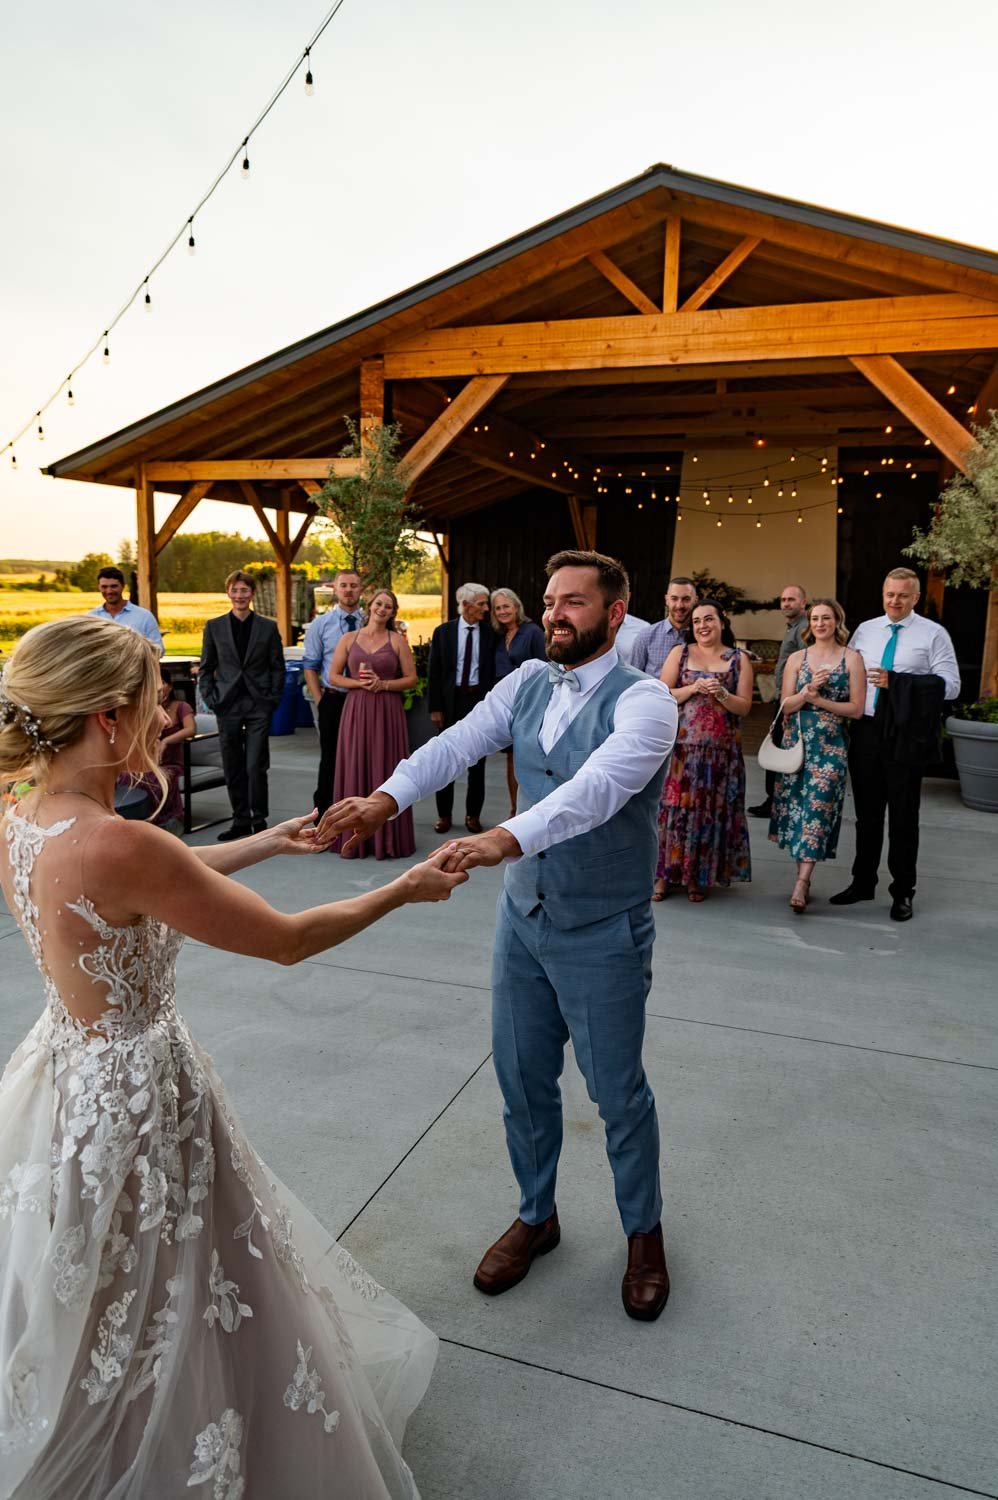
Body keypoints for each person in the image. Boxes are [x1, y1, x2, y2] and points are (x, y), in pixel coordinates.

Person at [0, 614, 467, 1498]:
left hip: (62, 1071)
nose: (169, 711)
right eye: (154, 697)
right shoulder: (120, 840)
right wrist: (404, 888)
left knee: (104, 1282)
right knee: (164, 1275)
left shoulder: (21, 816)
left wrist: (268, 839)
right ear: (107, 715)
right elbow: (286, 942)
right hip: (134, 1088)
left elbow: (157, 878)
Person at [317, 550, 680, 1323]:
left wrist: (501, 840)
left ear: (615, 614)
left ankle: (643, 1233)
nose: (555, 613)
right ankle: (537, 1215)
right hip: (523, 921)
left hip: (603, 926)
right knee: (520, 1081)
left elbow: (595, 792)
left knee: (616, 1094)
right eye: (551, 600)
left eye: (574, 602)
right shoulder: (526, 680)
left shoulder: (648, 703)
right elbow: (458, 744)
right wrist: (387, 797)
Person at [831, 567, 960, 921]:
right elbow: (848, 671)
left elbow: (951, 685)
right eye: (890, 594)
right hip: (868, 730)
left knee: (904, 816)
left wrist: (900, 682)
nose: (895, 601)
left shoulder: (934, 634)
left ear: (915, 597)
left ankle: (903, 891)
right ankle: (862, 882)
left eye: (903, 595)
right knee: (867, 815)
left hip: (906, 733)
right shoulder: (866, 630)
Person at [768, 600, 866, 912]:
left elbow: (856, 709)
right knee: (798, 810)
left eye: (826, 617)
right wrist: (807, 691)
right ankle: (802, 876)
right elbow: (786, 704)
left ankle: (803, 881)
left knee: (818, 810)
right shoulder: (799, 657)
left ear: (837, 620)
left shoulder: (852, 659)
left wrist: (820, 701)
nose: (820, 623)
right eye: (815, 618)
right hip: (797, 744)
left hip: (831, 747)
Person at [656, 598, 753, 902]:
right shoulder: (680, 653)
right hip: (681, 750)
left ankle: (698, 877)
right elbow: (661, 692)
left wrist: (723, 693)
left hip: (720, 753)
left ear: (721, 622)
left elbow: (745, 707)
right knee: (672, 811)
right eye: (697, 621)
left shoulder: (738, 659)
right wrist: (692, 689)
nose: (702, 626)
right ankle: (663, 876)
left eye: (708, 619)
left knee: (707, 815)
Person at [327, 589, 418, 860]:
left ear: (393, 612)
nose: (382, 609)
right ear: (370, 606)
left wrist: (384, 685)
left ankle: (387, 839)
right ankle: (351, 835)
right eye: (379, 603)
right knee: (355, 764)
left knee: (385, 767)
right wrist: (360, 684)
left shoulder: (397, 640)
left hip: (387, 710)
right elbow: (333, 676)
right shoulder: (348, 638)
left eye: (388, 606)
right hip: (356, 709)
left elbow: (411, 679)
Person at [199, 570, 285, 842]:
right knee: (233, 765)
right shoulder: (214, 626)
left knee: (255, 765)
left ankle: (259, 821)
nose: (239, 596)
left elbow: (277, 667)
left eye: (244, 591)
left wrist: (272, 699)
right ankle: (240, 820)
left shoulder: (267, 627)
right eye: (235, 591)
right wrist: (211, 698)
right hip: (227, 704)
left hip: (259, 704)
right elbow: (206, 668)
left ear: (252, 594)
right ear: (228, 593)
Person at [426, 583, 497, 834]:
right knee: (446, 759)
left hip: (477, 702)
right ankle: (444, 815)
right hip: (450, 703)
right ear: (466, 605)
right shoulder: (443, 632)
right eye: (481, 604)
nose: (486, 609)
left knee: (477, 762)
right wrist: (435, 707)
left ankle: (472, 816)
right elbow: (433, 671)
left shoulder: (490, 633)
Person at [301, 569, 364, 818]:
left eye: (354, 585)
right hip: (333, 699)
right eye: (344, 585)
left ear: (362, 590)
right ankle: (324, 818)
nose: (349, 590)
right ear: (335, 589)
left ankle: (360, 814)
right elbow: (310, 666)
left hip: (363, 701)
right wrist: (320, 700)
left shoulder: (371, 622)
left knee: (361, 758)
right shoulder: (320, 624)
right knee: (330, 760)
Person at [748, 583, 808, 818]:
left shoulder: (803, 628)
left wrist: (792, 701)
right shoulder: (793, 627)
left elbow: (805, 663)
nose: (786, 604)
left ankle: (774, 802)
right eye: (783, 600)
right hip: (785, 698)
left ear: (803, 603)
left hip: (790, 700)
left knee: (779, 747)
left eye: (792, 600)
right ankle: (774, 799)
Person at [491, 587, 546, 817]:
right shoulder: (497, 636)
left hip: (530, 703)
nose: (502, 611)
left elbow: (545, 668)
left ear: (516, 607)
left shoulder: (532, 632)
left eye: (506, 606)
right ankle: (515, 810)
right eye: (498, 608)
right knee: (512, 759)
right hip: (507, 705)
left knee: (529, 756)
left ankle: (532, 811)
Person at [121, 664, 196, 829]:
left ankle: (160, 818)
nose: (165, 722)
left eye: (162, 683)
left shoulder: (181, 707)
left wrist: (166, 741)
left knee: (154, 779)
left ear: (169, 685)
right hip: (148, 760)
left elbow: (191, 729)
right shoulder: (142, 712)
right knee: (128, 777)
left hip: (171, 761)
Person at [629, 577, 699, 677]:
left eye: (686, 599)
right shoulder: (646, 636)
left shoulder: (702, 638)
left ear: (695, 601)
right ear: (666, 600)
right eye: (674, 599)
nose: (679, 605)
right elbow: (632, 676)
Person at [88, 566, 163, 655]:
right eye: (104, 587)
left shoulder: (144, 616)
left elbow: (159, 650)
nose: (109, 591)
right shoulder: (91, 618)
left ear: (123, 586)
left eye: (114, 586)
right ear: (99, 588)